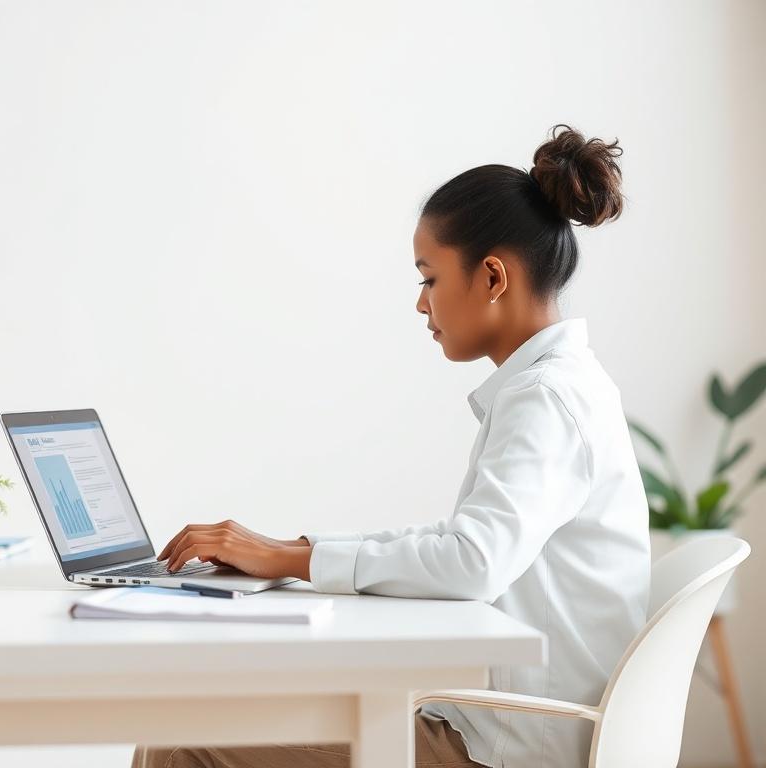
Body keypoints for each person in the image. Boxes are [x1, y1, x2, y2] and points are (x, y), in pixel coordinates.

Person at [131, 124, 651, 768]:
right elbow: (462, 542)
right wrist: (293, 552)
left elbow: (473, 561)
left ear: (492, 277)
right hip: (506, 728)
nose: (421, 304)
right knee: (208, 721)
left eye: (429, 279)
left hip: (509, 751)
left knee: (180, 740)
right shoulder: (561, 385)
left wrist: (291, 558)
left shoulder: (545, 397)